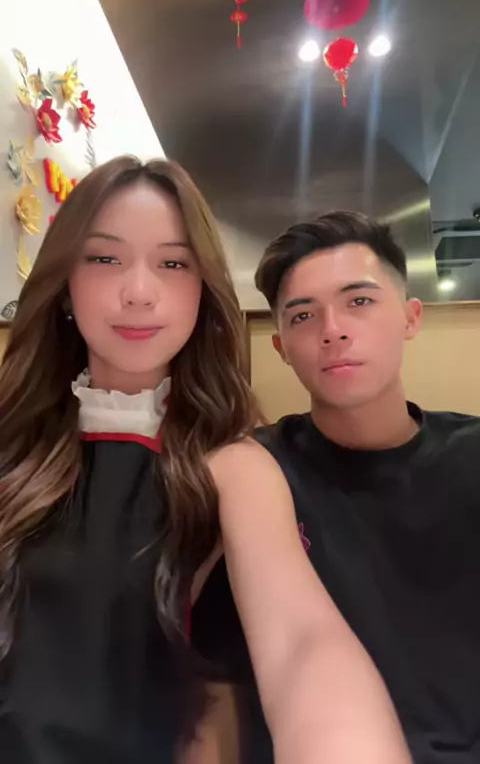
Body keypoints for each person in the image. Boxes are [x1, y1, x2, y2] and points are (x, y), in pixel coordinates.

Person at [0, 167, 410, 764]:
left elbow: (302, 642)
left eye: (173, 263)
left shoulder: (233, 466)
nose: (139, 291)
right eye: (105, 259)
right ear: (65, 286)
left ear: (202, 290)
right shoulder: (14, 444)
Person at [194, 210, 480, 763]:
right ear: (281, 347)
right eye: (303, 315)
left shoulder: (470, 455)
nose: (333, 330)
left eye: (359, 301)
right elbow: (213, 682)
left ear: (410, 317)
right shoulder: (253, 475)